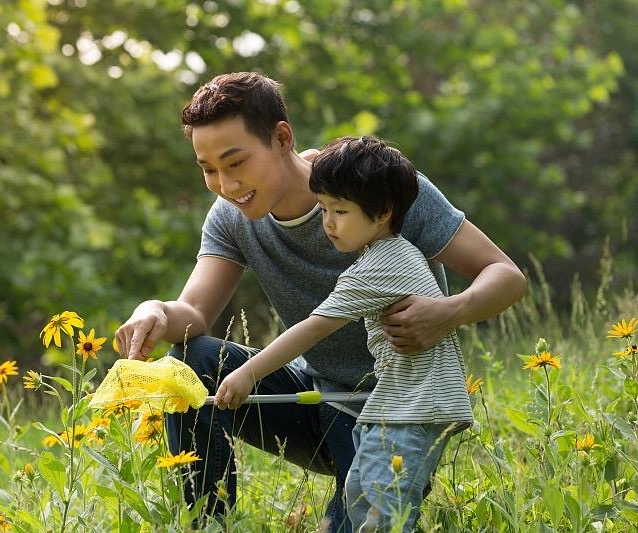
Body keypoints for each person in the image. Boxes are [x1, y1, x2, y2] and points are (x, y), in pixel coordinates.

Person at [114, 72, 525, 532]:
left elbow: (506, 276)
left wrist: (450, 312)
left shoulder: (375, 187)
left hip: (394, 411)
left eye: (236, 162)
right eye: (209, 170)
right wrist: (154, 310)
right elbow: (193, 315)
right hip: (313, 396)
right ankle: (207, 525)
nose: (226, 185)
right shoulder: (231, 217)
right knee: (191, 360)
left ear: (281, 138)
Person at [214, 136, 474, 532]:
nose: (328, 224)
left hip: (415, 405)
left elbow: (314, 327)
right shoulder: (384, 252)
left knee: (382, 509)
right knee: (360, 492)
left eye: (340, 211)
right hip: (398, 400)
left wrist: (249, 373)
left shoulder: (380, 267)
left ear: (383, 212)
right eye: (323, 209)